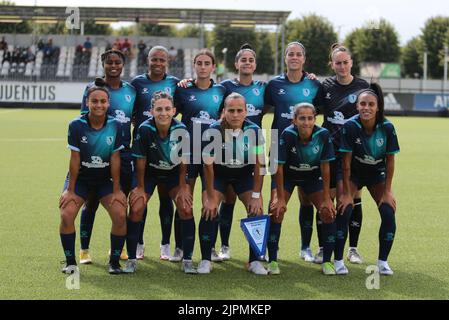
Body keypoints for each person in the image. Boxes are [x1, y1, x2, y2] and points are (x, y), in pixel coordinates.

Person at [59, 79, 127, 275]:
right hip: (81, 180)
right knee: (66, 214)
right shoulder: (76, 125)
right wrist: (70, 190)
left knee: (121, 214)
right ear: (87, 102)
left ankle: (114, 262)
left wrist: (117, 190)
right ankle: (71, 262)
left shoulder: (116, 125)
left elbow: (115, 159)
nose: (99, 105)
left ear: (108, 103)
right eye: (94, 101)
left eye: (103, 101)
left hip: (105, 181)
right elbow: (74, 160)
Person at [210, 44, 268, 262]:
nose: (247, 63)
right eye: (243, 59)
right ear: (236, 64)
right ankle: (222, 246)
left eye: (250, 60)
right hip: (225, 145)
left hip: (250, 147)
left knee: (256, 203)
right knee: (226, 200)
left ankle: (259, 256)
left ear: (255, 64)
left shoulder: (264, 87)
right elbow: (203, 87)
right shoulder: (224, 86)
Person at [264, 41, 321, 265]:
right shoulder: (273, 85)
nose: (294, 57)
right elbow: (261, 110)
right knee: (275, 202)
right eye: (290, 54)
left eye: (298, 54)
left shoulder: (315, 85)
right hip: (279, 147)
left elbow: (321, 113)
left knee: (306, 200)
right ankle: (271, 250)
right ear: (285, 58)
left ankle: (305, 247)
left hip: (307, 150)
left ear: (304, 59)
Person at [124, 91, 193, 274]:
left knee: (186, 207)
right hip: (148, 174)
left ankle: (187, 259)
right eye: (159, 109)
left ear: (174, 111)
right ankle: (131, 258)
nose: (163, 113)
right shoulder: (144, 129)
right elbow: (140, 160)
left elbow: (184, 160)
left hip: (172, 175)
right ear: (152, 111)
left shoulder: (182, 130)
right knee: (137, 207)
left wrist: (184, 186)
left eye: (167, 109)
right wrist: (139, 187)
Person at [78, 49, 136, 264]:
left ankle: (118, 248)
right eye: (109, 62)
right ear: (103, 64)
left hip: (124, 154)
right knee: (91, 202)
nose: (113, 66)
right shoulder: (92, 90)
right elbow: (84, 119)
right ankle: (84, 249)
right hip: (97, 154)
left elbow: (138, 117)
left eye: (117, 62)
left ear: (123, 64)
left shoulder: (131, 90)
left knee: (121, 201)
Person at [313, 43, 370, 264]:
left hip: (354, 152)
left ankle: (352, 249)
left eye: (346, 62)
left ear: (351, 63)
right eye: (338, 63)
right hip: (329, 152)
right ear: (332, 64)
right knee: (326, 199)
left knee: (354, 198)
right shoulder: (325, 86)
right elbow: (313, 110)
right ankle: (321, 247)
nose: (342, 66)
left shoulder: (363, 86)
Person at [338, 83, 399, 275]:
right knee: (345, 209)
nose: (366, 108)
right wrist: (347, 194)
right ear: (357, 106)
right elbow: (345, 163)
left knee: (389, 213)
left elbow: (390, 161)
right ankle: (339, 261)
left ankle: (382, 262)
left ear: (378, 106)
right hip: (354, 173)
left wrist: (387, 192)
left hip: (375, 175)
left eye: (371, 104)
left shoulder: (387, 127)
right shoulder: (350, 126)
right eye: (362, 104)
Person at [202, 92, 266, 274]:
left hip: (244, 175)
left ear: (246, 112)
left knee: (257, 210)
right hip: (219, 175)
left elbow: (259, 164)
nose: (235, 114)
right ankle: (206, 259)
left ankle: (254, 261)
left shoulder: (254, 131)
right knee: (209, 209)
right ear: (224, 111)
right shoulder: (212, 131)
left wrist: (255, 195)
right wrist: (211, 196)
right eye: (231, 110)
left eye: (240, 110)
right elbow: (207, 166)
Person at [174, 48, 226, 273]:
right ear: (194, 66)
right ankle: (180, 247)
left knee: (210, 201)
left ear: (213, 67)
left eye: (207, 63)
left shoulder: (221, 90)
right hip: (187, 152)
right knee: (184, 201)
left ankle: (210, 247)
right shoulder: (183, 89)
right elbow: (169, 115)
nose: (203, 66)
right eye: (199, 63)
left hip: (212, 154)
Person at [270, 103, 337, 275]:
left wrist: (327, 197)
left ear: (315, 119)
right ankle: (272, 261)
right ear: (294, 120)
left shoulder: (323, 134)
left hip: (312, 177)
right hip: (289, 177)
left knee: (327, 212)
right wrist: (280, 197)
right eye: (302, 118)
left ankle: (327, 262)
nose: (306, 122)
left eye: (309, 118)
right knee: (276, 211)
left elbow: (325, 167)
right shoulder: (287, 134)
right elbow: (279, 168)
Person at [131, 45, 182, 261]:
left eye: (162, 59)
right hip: (144, 145)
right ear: (147, 60)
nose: (158, 63)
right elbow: (131, 112)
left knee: (165, 200)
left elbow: (178, 108)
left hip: (168, 147)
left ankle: (165, 244)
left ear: (167, 62)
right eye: (154, 59)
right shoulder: (136, 83)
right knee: (141, 199)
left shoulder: (175, 83)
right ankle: (139, 244)